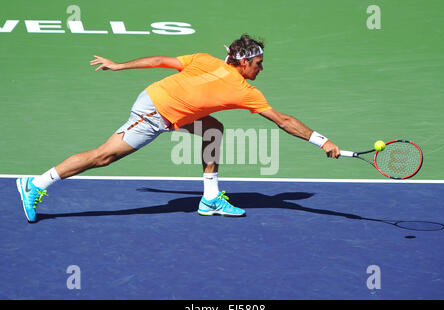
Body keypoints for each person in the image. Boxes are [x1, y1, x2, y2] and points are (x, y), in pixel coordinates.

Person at [16, 34, 340, 223]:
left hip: (168, 104)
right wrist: (321, 141)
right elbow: (283, 121)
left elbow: (160, 60)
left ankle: (210, 197)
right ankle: (36, 184)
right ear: (243, 63)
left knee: (213, 128)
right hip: (155, 111)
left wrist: (121, 64)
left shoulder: (206, 59)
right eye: (258, 63)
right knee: (103, 157)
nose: (261, 68)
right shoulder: (245, 91)